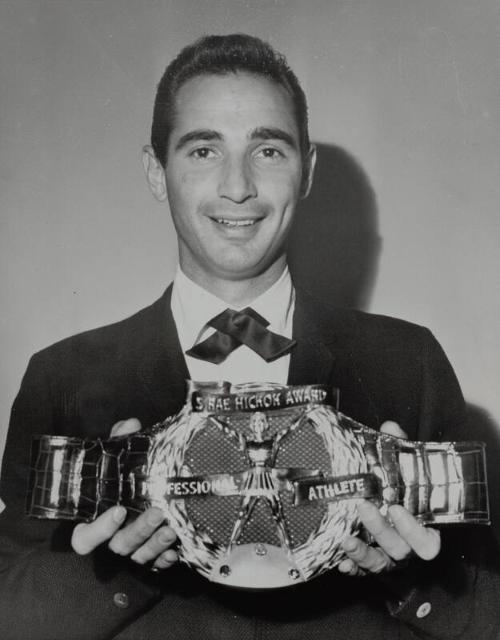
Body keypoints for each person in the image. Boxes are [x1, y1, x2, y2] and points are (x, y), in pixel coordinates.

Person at [0, 33, 499, 640]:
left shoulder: (408, 362)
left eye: (268, 150)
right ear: (156, 173)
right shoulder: (64, 378)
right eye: (204, 151)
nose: (238, 186)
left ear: (306, 172)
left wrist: (409, 580)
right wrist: (112, 571)